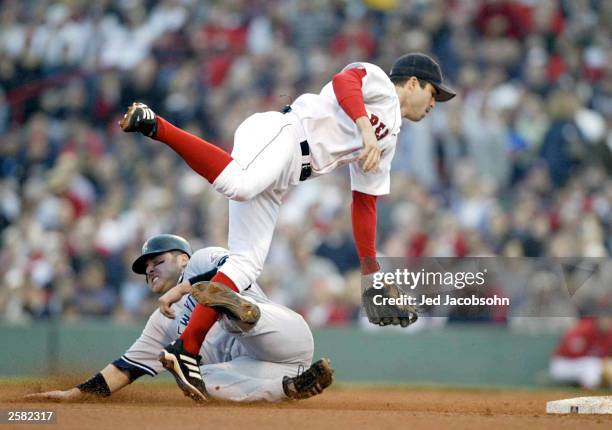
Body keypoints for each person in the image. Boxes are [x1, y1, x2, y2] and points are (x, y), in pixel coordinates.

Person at [119, 52, 453, 393]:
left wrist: (372, 273)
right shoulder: (381, 84)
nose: (434, 103)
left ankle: (186, 349)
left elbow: (365, 203)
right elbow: (344, 81)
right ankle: (154, 124)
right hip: (282, 134)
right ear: (413, 82)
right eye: (433, 93)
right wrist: (364, 126)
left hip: (288, 171)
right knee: (240, 184)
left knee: (245, 264)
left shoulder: (388, 140)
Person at [26, 234, 333, 402]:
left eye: (157, 261)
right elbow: (125, 368)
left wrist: (185, 288)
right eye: (145, 268)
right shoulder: (162, 321)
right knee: (202, 381)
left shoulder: (201, 258)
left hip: (282, 337)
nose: (149, 270)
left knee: (220, 299)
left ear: (183, 259)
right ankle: (291, 388)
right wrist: (74, 394)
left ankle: (238, 310)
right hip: (258, 370)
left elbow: (237, 265)